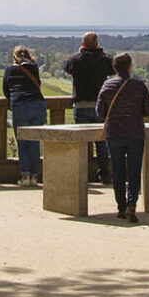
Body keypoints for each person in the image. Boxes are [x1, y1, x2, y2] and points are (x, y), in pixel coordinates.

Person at [96, 52, 149, 222]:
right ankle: (132, 204)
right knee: (134, 171)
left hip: (114, 133)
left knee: (118, 170)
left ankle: (121, 206)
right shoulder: (138, 85)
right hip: (135, 132)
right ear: (130, 66)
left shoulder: (107, 85)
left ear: (114, 68)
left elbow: (100, 112)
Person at [62, 31, 115, 184]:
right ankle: (104, 174)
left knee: (82, 141)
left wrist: (81, 52)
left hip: (81, 104)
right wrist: (101, 52)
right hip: (100, 106)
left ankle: (81, 174)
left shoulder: (76, 60)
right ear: (97, 44)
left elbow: (67, 66)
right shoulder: (103, 60)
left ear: (83, 44)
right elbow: (114, 66)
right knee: (102, 142)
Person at [3, 45, 46, 186]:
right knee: (34, 142)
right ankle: (35, 176)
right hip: (38, 105)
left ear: (14, 57)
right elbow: (37, 84)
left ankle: (25, 176)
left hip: (20, 105)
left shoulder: (10, 69)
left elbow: (5, 89)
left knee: (22, 142)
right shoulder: (34, 68)